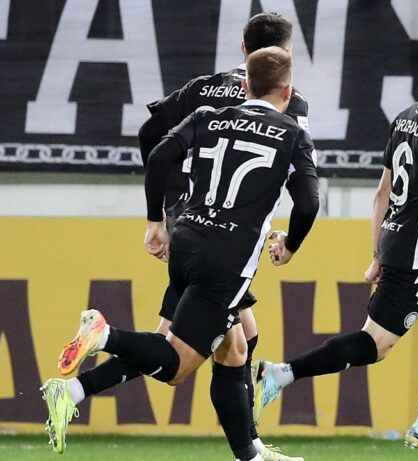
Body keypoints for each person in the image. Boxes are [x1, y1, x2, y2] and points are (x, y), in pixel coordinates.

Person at [40, 13, 307, 461]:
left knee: (236, 340)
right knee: (183, 352)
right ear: (287, 56)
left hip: (188, 221)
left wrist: (167, 208)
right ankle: (84, 373)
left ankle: (250, 449)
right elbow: (293, 178)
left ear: (244, 50)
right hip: (229, 236)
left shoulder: (205, 89)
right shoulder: (289, 103)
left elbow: (152, 135)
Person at [255, 40, 418, 461]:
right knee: (375, 346)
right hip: (415, 257)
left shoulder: (408, 117)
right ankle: (281, 373)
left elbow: (382, 193)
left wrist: (377, 252)